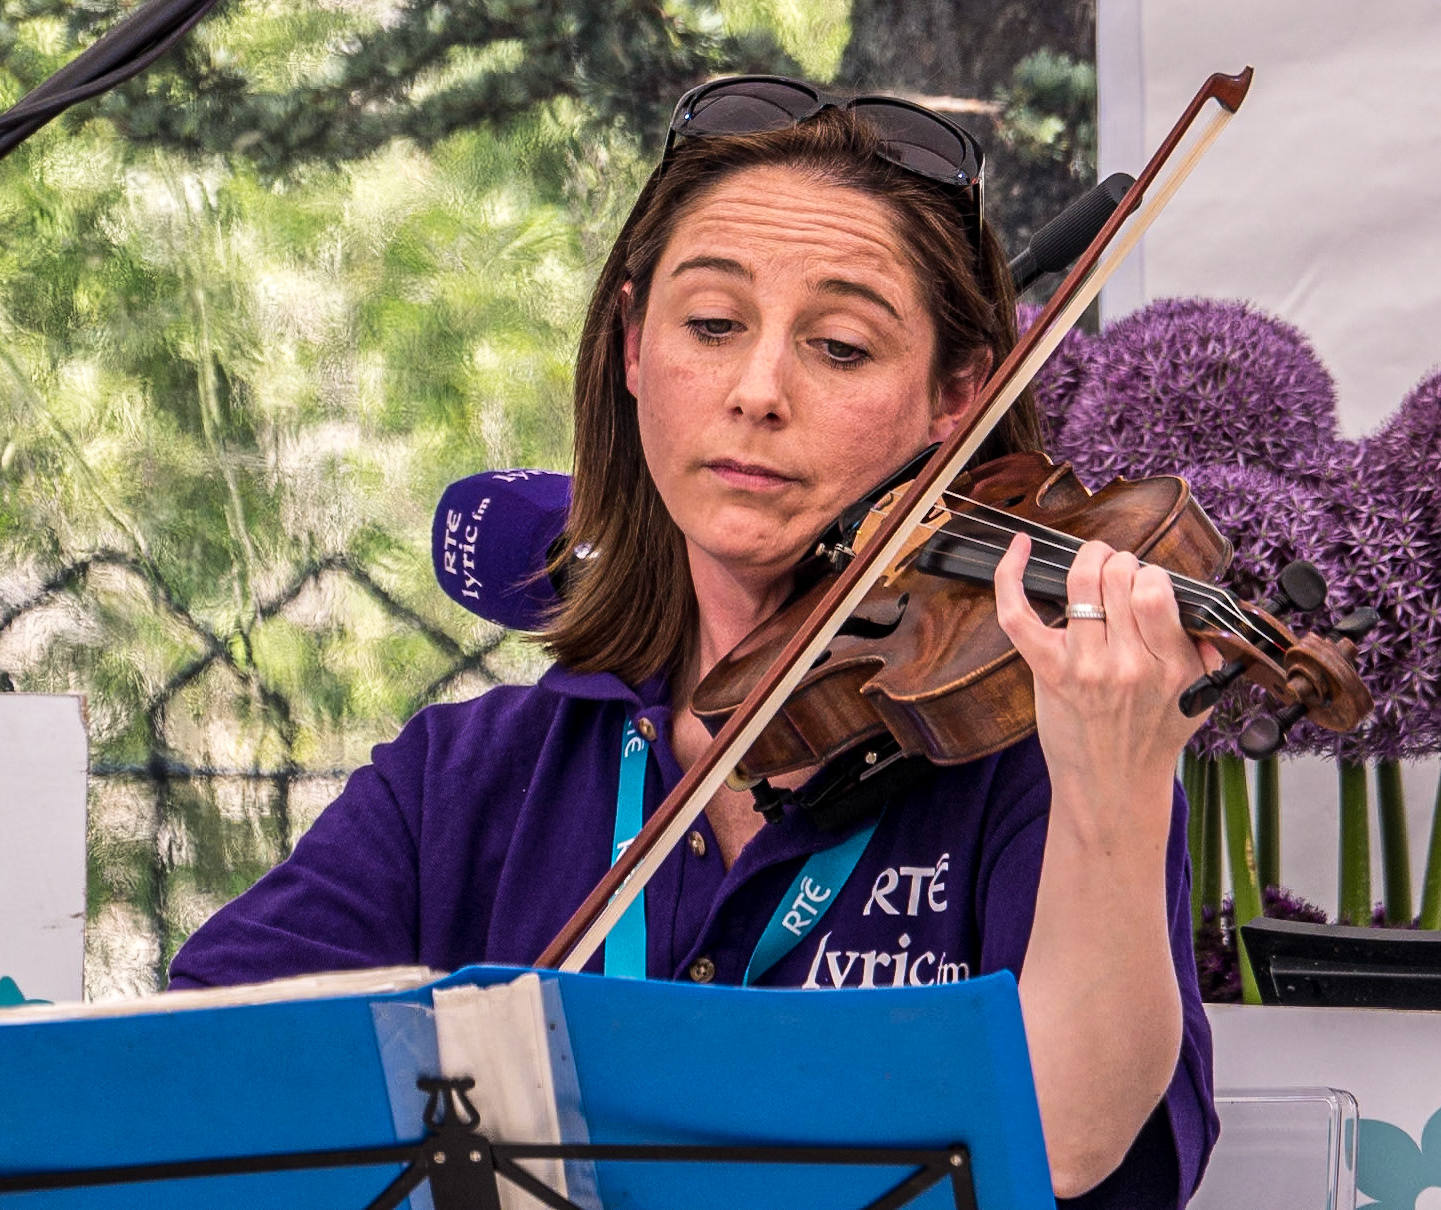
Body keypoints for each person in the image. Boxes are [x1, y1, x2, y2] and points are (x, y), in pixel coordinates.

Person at [170, 76, 1219, 1207]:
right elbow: (187, 1084)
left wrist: (1116, 778)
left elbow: (1066, 1136)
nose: (757, 390)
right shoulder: (465, 780)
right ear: (631, 347)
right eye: (712, 326)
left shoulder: (1036, 754)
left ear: (955, 397)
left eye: (842, 347)